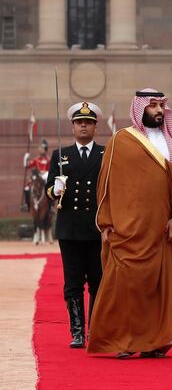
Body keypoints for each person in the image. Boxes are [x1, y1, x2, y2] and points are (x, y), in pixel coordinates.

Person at [89, 89, 172, 358]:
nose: (159, 111)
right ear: (140, 109)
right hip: (131, 229)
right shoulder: (121, 141)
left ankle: (156, 341)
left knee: (166, 286)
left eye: (162, 105)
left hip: (166, 230)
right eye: (152, 106)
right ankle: (123, 341)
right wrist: (106, 223)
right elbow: (106, 186)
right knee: (126, 285)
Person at [45, 102, 105, 348]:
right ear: (72, 126)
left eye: (88, 122)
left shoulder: (105, 154)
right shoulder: (60, 155)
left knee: (98, 281)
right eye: (79, 122)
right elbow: (48, 189)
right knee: (73, 283)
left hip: (96, 227)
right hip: (69, 227)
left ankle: (97, 330)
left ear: (94, 127)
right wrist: (55, 189)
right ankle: (78, 332)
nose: (83, 125)